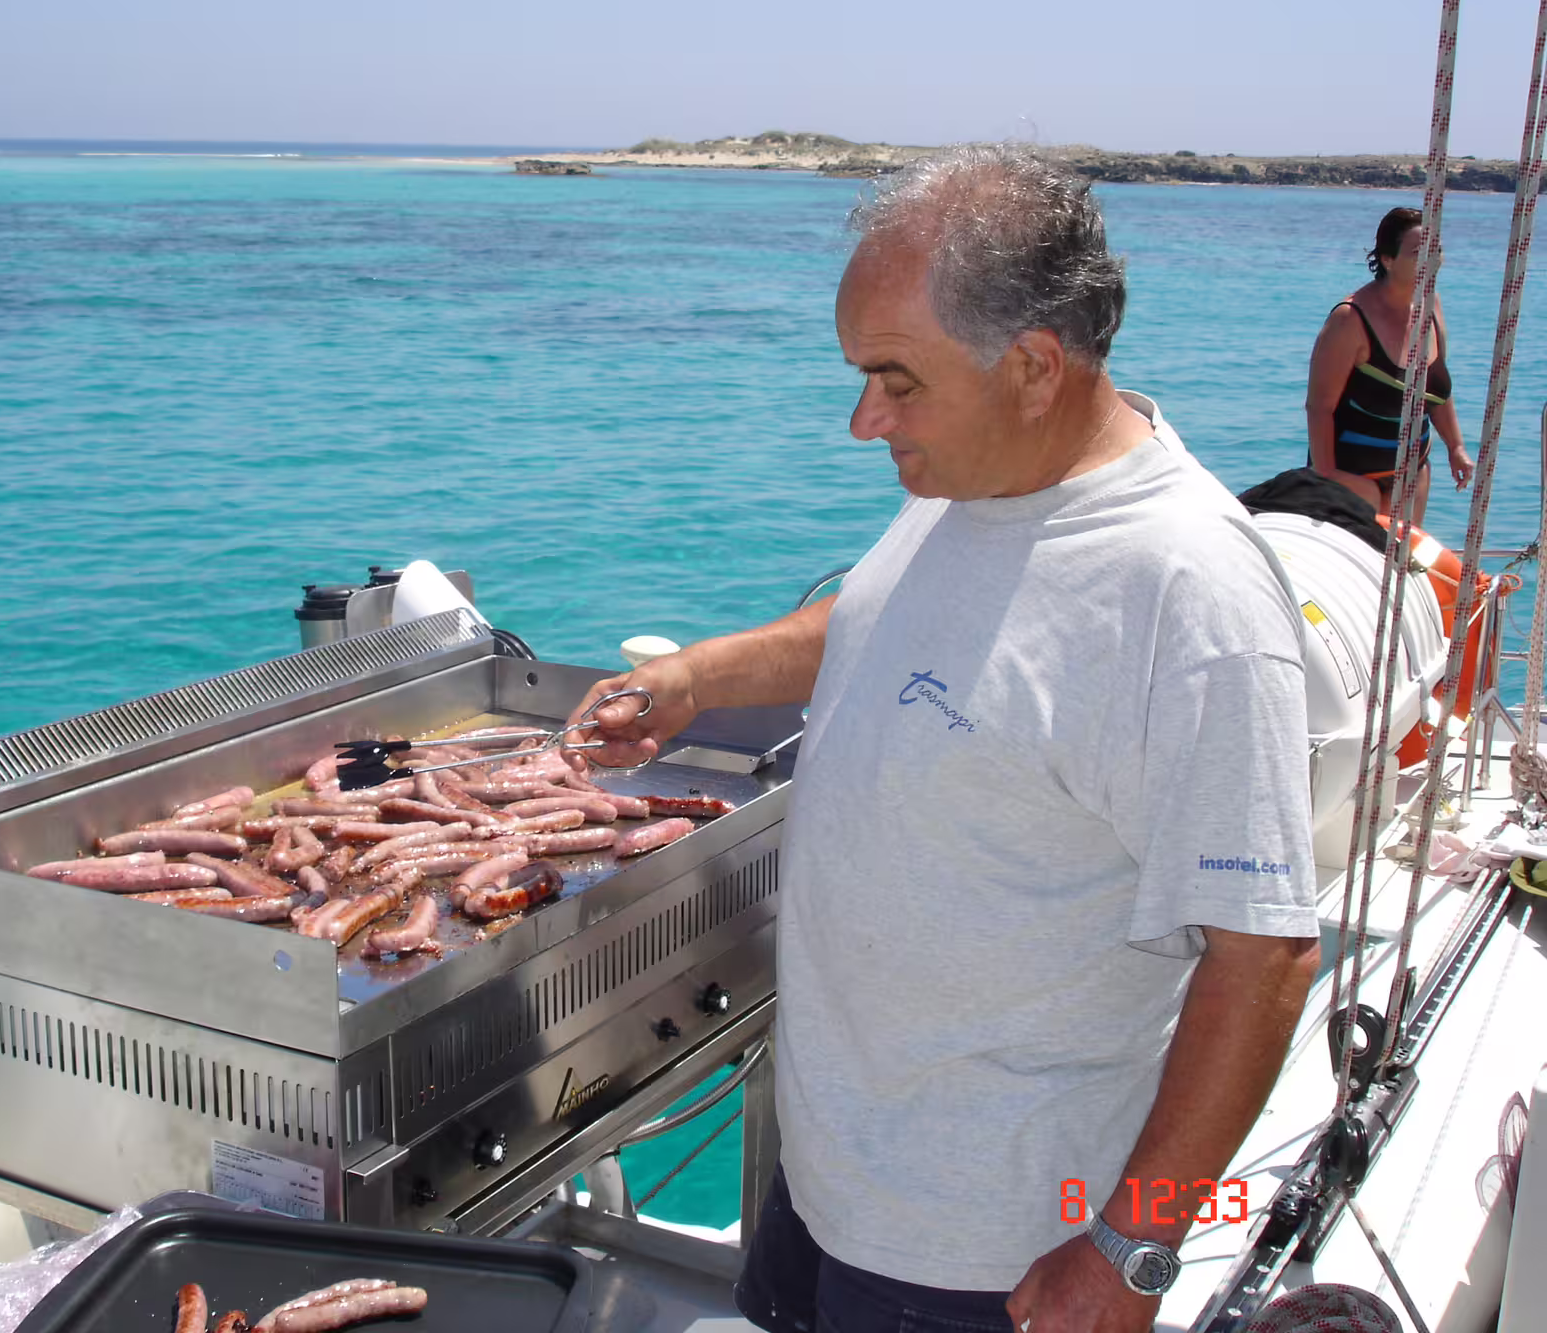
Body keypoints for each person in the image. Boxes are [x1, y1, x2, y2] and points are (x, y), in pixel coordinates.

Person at [565, 145, 1321, 1333]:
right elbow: (871, 618)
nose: (865, 421)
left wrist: (1132, 1249)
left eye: (895, 381)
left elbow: (1264, 961)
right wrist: (697, 679)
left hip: (982, 1254)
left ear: (1031, 367)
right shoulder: (974, 484)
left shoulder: (1189, 601)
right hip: (828, 1178)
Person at [1306, 206, 1474, 526]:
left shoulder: (1432, 306)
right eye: (1417, 252)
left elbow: (1434, 391)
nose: (1432, 259)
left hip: (1413, 475)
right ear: (1388, 259)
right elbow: (1318, 407)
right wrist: (1326, 475)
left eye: (1436, 250)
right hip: (1354, 479)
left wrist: (1456, 446)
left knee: (1402, 569)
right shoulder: (1350, 319)